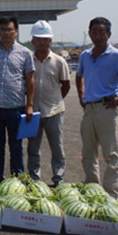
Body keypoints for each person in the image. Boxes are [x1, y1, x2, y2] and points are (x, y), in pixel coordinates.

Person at [76, 17, 118, 199]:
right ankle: (92, 189)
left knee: (111, 155)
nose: (97, 36)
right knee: (88, 153)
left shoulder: (116, 55)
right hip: (89, 109)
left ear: (108, 34)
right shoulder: (85, 55)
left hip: (107, 109)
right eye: (94, 32)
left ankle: (111, 195)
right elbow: (79, 76)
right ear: (89, 34)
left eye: (101, 32)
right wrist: (81, 96)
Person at [0, 16, 35, 187]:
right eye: (2, 30)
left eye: (9, 29)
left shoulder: (25, 53)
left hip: (15, 108)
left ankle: (17, 180)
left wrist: (29, 104)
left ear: (16, 31)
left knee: (16, 146)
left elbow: (30, 80)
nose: (5, 33)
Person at [27, 20, 71, 186]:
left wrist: (55, 100)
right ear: (33, 40)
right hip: (33, 112)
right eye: (38, 38)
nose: (42, 42)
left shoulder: (59, 61)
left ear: (50, 41)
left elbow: (65, 85)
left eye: (45, 39)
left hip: (54, 110)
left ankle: (58, 179)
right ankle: (34, 178)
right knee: (33, 148)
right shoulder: (28, 60)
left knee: (57, 147)